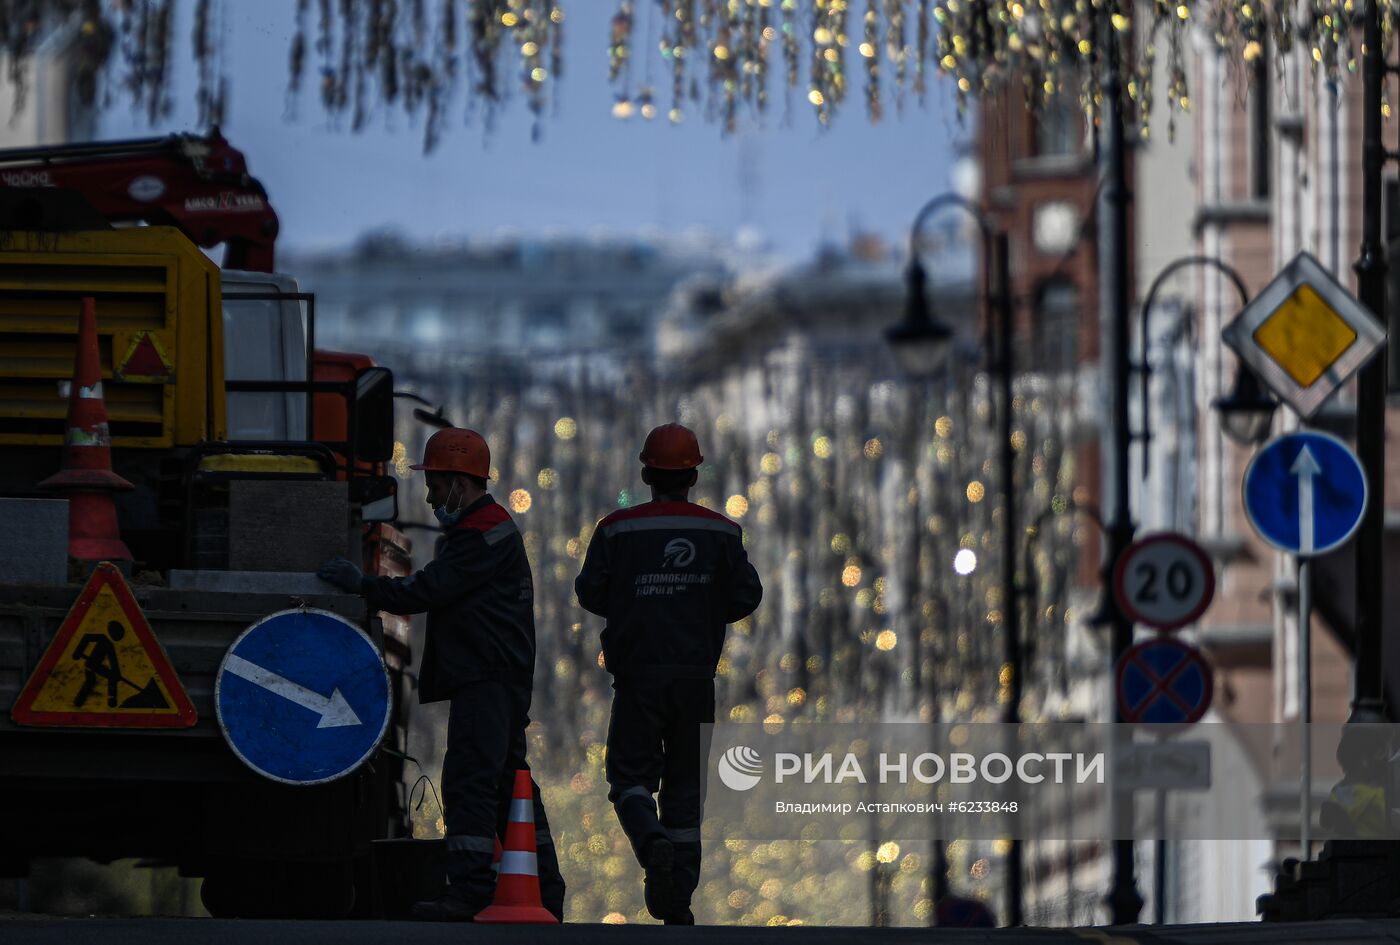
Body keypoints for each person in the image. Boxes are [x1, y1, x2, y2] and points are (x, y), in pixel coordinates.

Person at [318, 427, 566, 922]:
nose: (430, 496)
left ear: (458, 482)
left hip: (487, 677)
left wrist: (363, 586)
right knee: (509, 783)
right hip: (498, 676)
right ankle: (544, 887)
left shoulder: (480, 535)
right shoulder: (487, 528)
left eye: (434, 484)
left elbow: (427, 591)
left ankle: (470, 889)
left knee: (470, 781)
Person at [574, 422, 762, 925]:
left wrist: (639, 602)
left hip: (639, 677)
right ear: (693, 475)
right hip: (695, 679)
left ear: (645, 473)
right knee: (685, 792)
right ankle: (676, 901)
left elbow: (590, 592)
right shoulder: (723, 531)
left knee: (629, 779)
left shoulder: (616, 529)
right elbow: (747, 595)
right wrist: (696, 605)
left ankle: (650, 839)